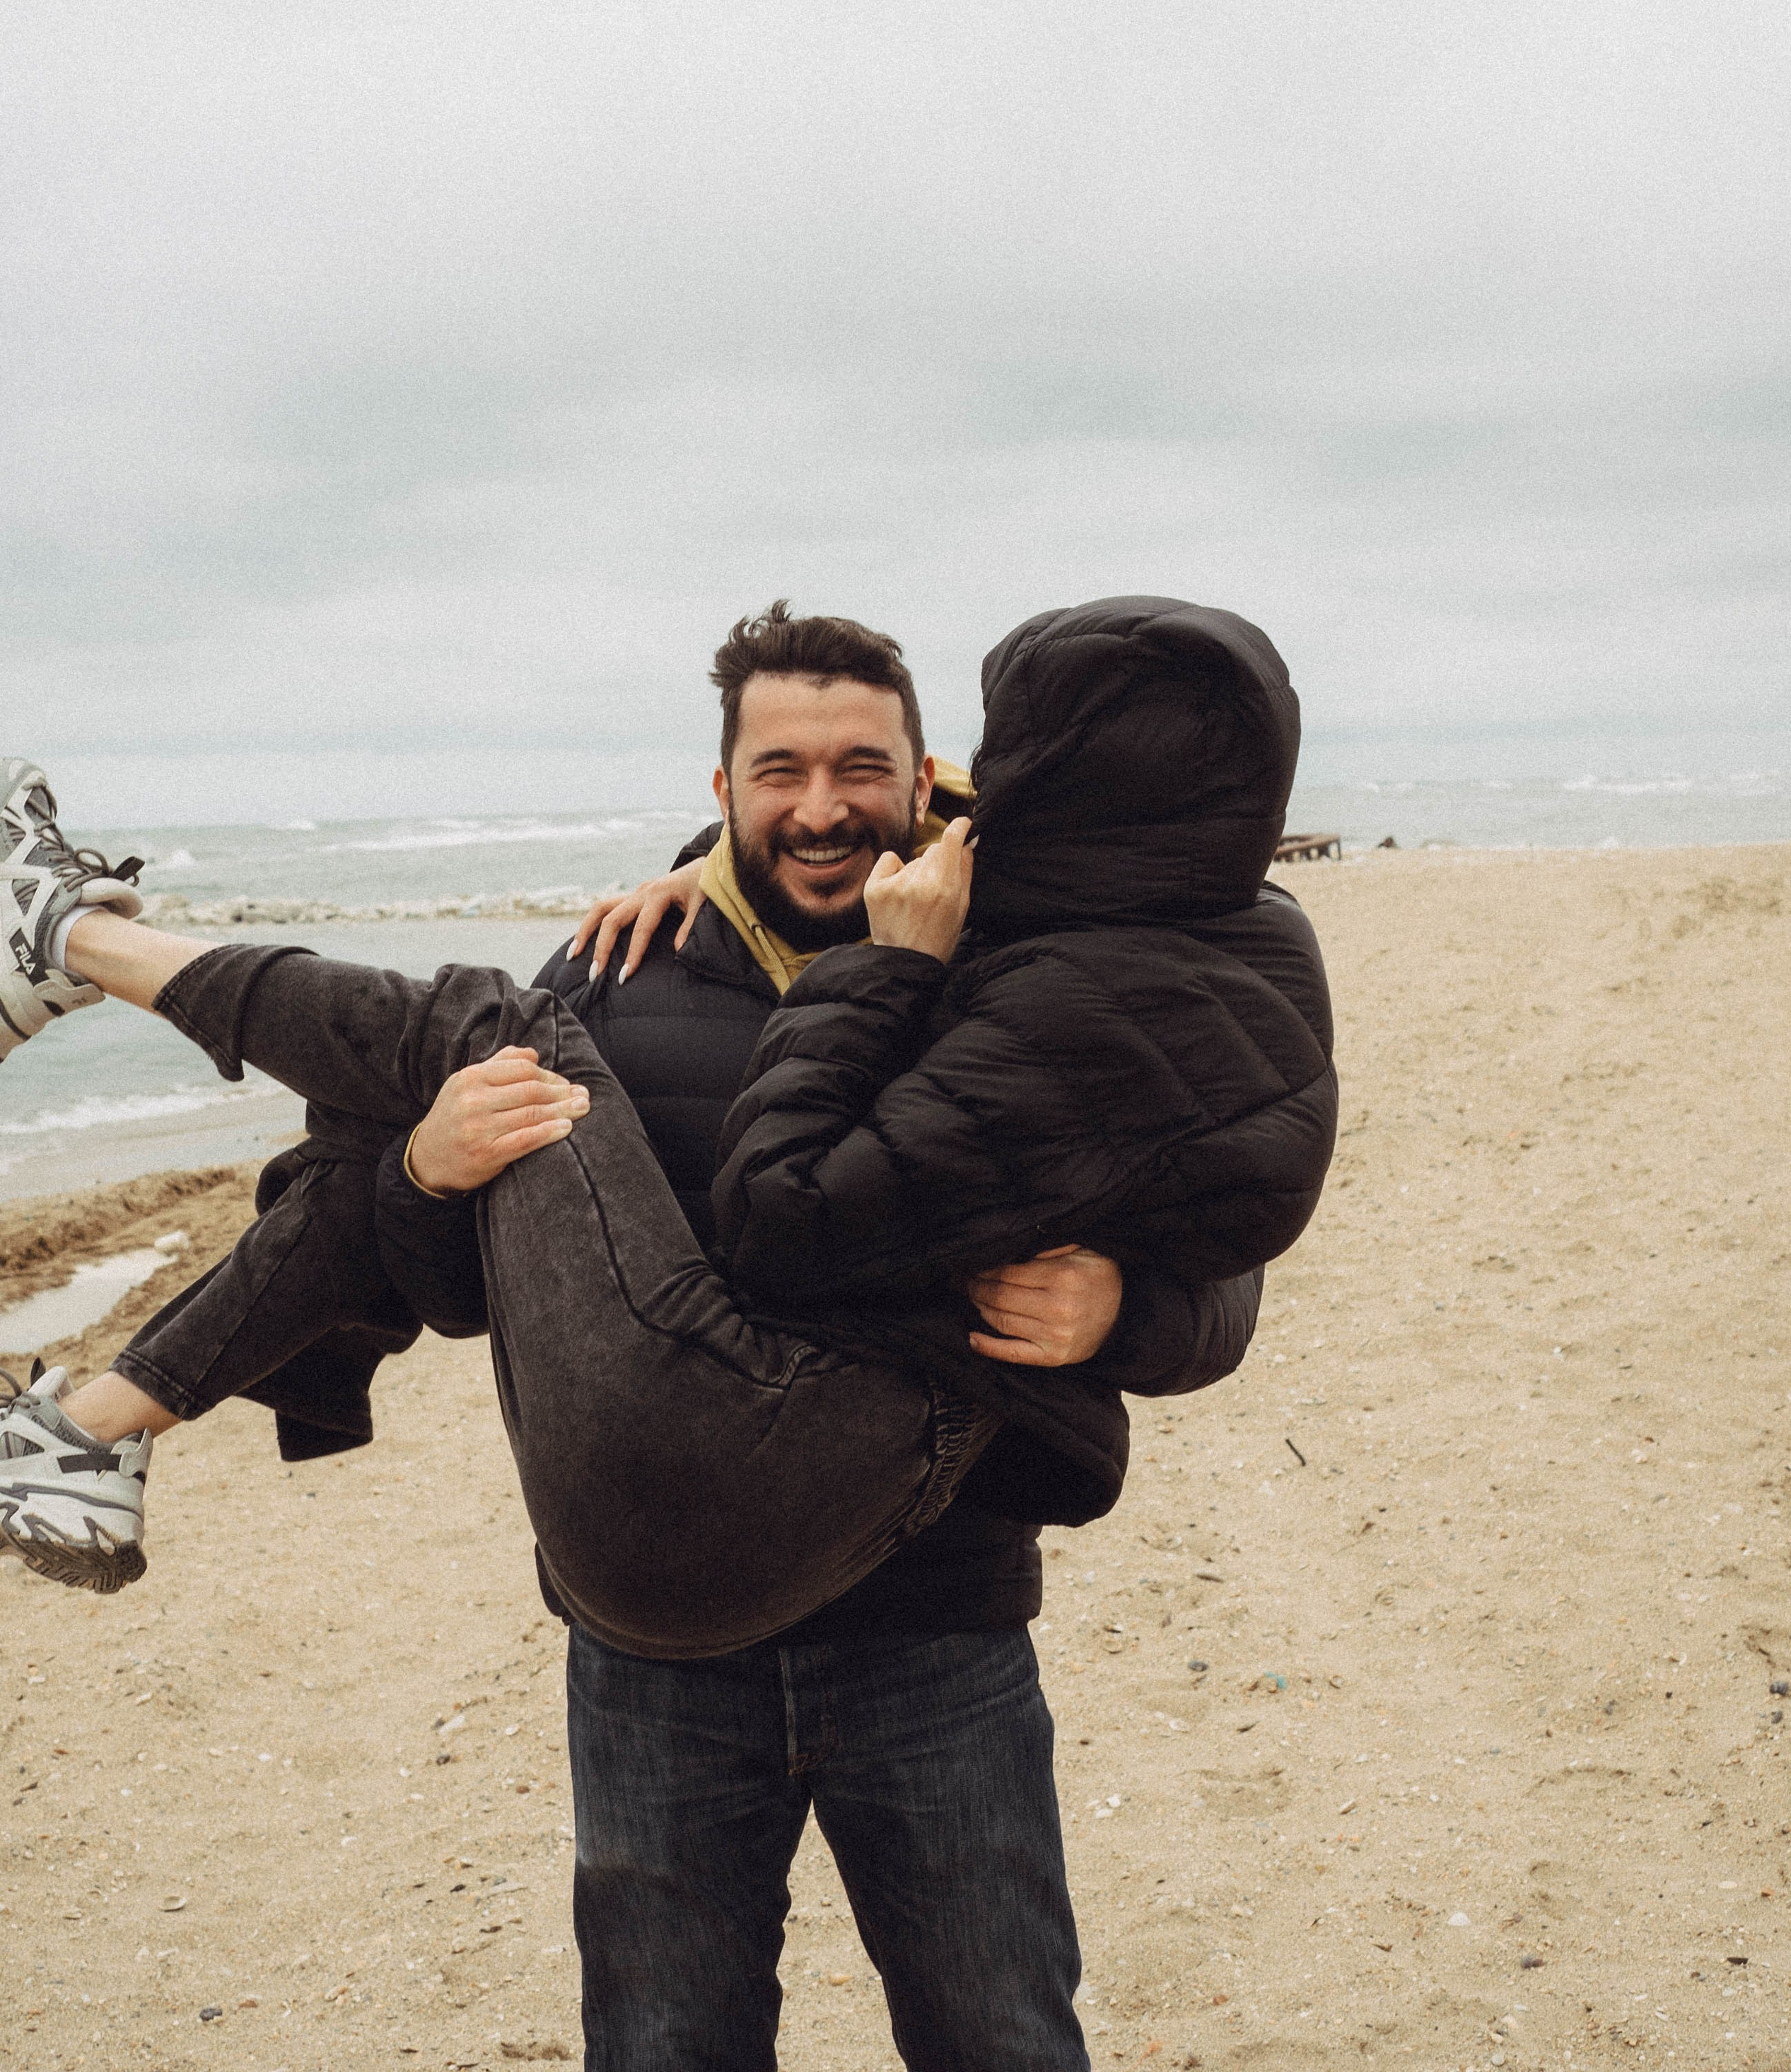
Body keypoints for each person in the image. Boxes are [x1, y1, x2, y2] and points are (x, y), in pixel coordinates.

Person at [0, 597, 1336, 2072]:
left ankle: (72, 986)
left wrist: (1121, 1311)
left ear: (929, 781)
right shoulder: (615, 979)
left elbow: (1212, 1278)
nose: (819, 808)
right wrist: (426, 1172)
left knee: (1002, 2030)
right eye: (778, 772)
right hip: (655, 1673)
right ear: (723, 792)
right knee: (664, 2041)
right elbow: (463, 1291)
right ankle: (75, 1060)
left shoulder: (1014, 970)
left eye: (857, 769)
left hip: (933, 1630)